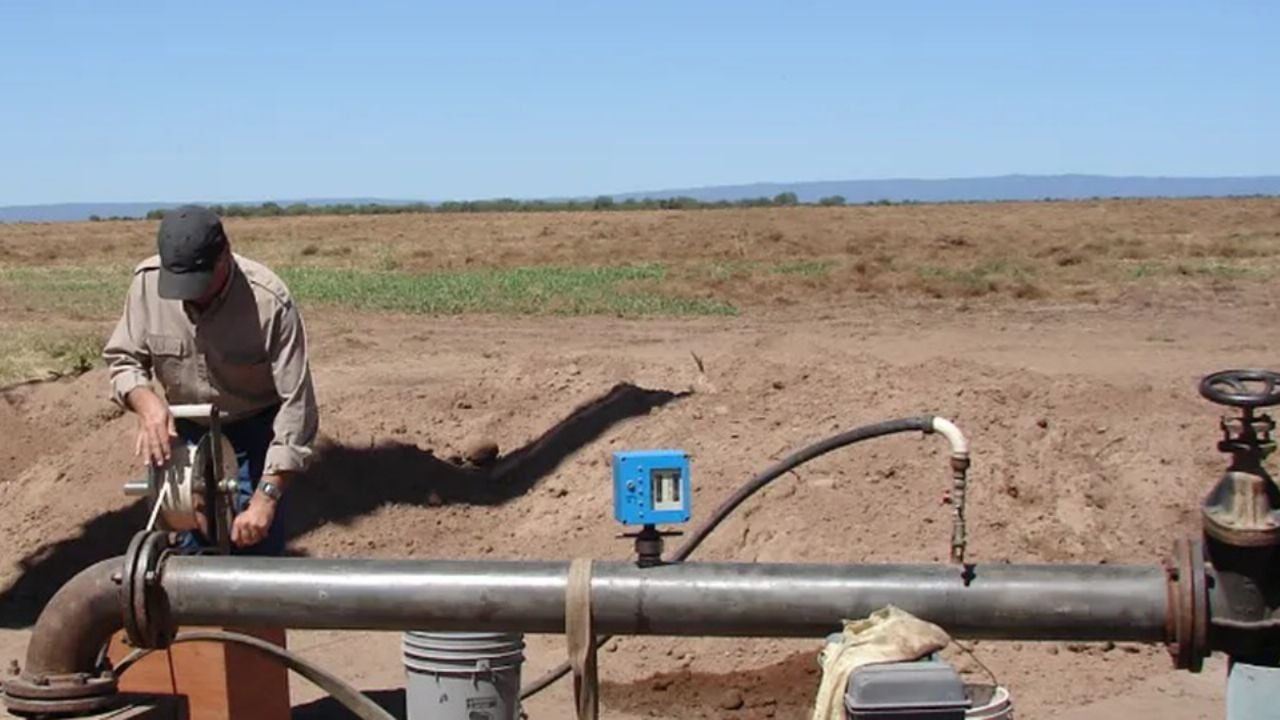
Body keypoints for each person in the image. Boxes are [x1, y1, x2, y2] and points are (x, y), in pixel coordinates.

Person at [103, 205, 318, 555]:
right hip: (185, 430)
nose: (190, 295)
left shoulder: (269, 301)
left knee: (256, 546)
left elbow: (298, 405)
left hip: (253, 432)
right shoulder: (146, 284)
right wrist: (147, 403)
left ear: (225, 256)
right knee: (190, 550)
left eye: (198, 283)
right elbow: (122, 359)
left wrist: (267, 496)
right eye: (180, 285)